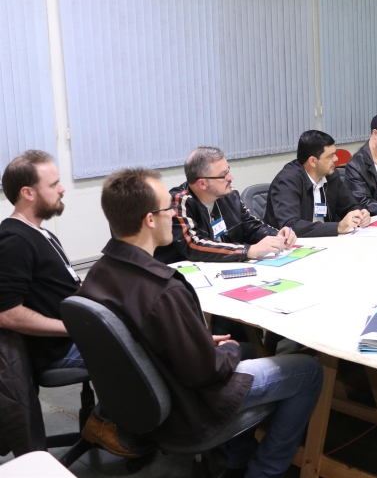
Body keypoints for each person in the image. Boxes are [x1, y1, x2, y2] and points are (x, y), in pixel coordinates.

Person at [79, 168, 323, 478]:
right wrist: (228, 351)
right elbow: (206, 371)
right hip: (192, 406)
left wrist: (205, 343)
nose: (174, 215)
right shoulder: (163, 290)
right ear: (150, 220)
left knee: (248, 349)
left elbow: (141, 338)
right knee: (308, 369)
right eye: (168, 208)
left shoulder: (98, 274)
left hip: (152, 395)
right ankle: (265, 472)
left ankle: (238, 456)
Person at [0, 151, 83, 372]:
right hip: (59, 349)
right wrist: (74, 328)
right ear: (28, 193)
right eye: (54, 184)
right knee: (143, 352)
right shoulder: (14, 241)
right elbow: (7, 314)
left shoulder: (40, 233)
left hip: (75, 334)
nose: (62, 189)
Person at [154, 146, 295, 264]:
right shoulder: (180, 202)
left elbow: (251, 226)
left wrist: (278, 236)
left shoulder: (230, 195)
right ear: (202, 183)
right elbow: (194, 245)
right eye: (223, 175)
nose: (230, 177)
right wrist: (248, 251)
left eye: (228, 170)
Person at [265, 130, 371, 237]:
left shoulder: (331, 176)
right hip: (292, 246)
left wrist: (360, 213)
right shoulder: (286, 182)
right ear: (313, 161)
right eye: (330, 156)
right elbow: (291, 225)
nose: (336, 159)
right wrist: (337, 227)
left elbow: (350, 206)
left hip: (327, 241)